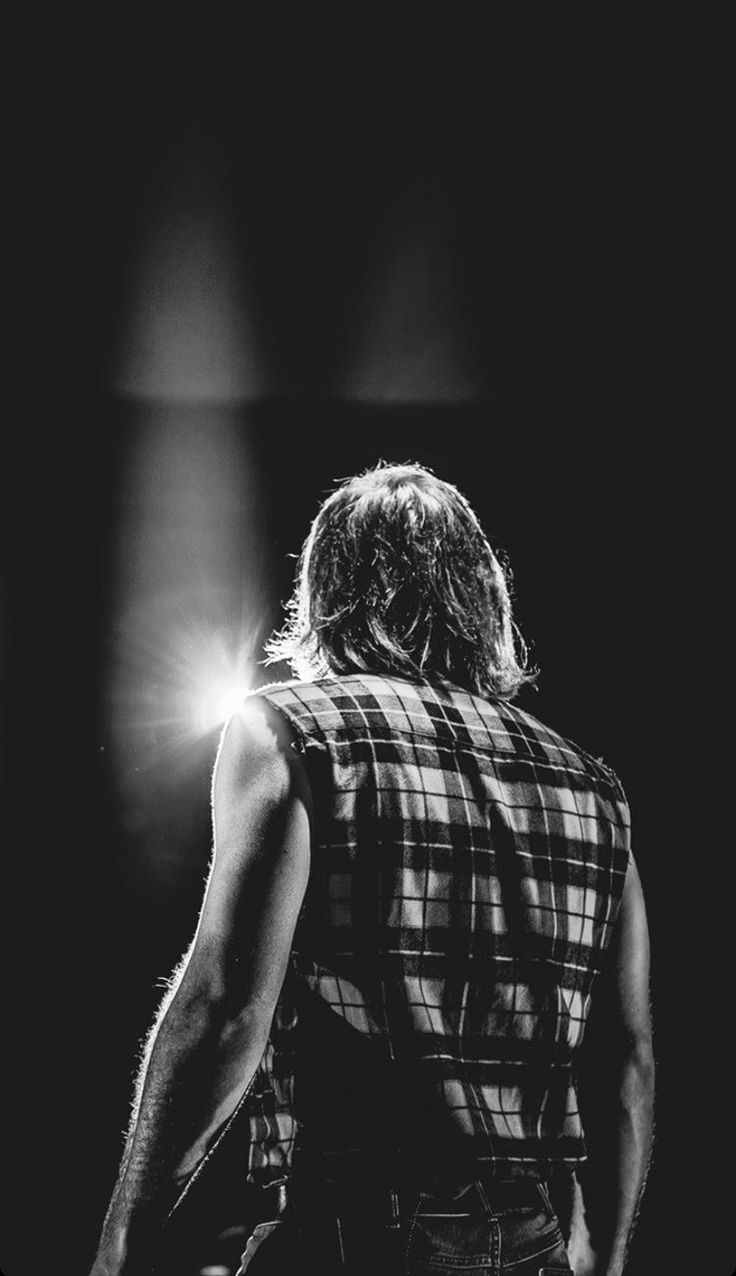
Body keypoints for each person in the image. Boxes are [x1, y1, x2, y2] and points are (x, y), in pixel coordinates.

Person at [89, 462, 655, 1276]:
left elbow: (224, 1009)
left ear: (326, 590)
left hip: (359, 1234)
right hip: (531, 1240)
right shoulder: (592, 787)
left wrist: (124, 1242)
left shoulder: (292, 733)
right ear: (482, 594)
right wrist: (598, 1258)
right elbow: (623, 1059)